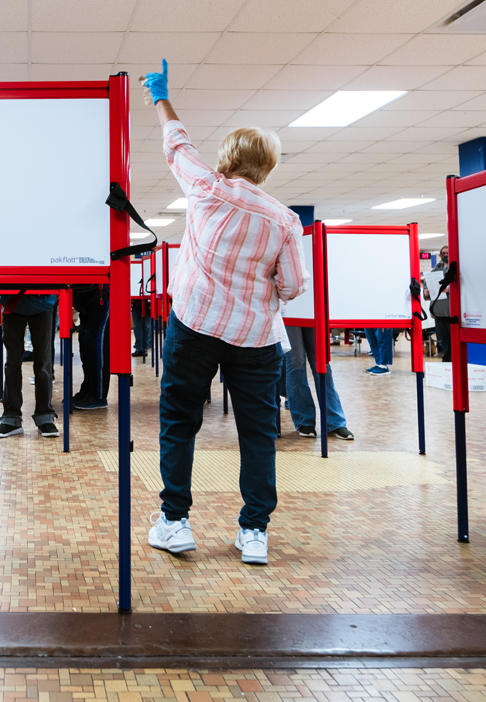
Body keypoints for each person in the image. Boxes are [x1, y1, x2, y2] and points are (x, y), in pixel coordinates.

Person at [141, 60, 305, 567]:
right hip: (255, 339)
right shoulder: (284, 219)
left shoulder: (207, 187)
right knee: (259, 434)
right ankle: (254, 532)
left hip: (194, 327)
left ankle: (175, 523)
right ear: (269, 168)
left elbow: (176, 142)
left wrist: (161, 98)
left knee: (179, 422)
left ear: (228, 158)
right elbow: (294, 286)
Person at [0, 292, 60, 438]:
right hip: (13, 302)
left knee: (41, 363)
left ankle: (44, 416)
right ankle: (11, 418)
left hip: (40, 303)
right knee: (14, 363)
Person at [279, 325, 353, 441]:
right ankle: (304, 421)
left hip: (314, 310)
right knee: (296, 363)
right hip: (289, 311)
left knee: (322, 362)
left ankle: (335, 422)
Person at [71, 283, 110, 409]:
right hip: (85, 302)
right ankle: (87, 389)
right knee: (85, 343)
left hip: (100, 298)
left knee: (96, 346)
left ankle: (98, 395)